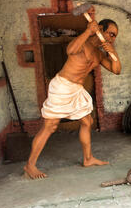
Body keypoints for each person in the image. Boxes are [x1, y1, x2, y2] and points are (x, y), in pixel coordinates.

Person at [23, 13, 121, 179]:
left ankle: (88, 159)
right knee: (50, 127)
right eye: (110, 33)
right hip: (62, 86)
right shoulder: (84, 43)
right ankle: (29, 165)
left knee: (87, 121)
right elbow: (70, 50)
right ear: (101, 30)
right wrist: (88, 31)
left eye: (115, 36)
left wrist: (114, 54)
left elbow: (116, 70)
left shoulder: (99, 54)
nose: (112, 38)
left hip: (76, 89)